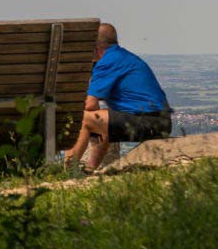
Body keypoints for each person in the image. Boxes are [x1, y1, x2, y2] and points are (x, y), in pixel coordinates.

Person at [64, 23, 171, 170]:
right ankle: (90, 169)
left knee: (82, 119)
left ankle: (69, 172)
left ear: (95, 45)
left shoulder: (109, 61)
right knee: (104, 120)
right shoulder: (119, 56)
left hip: (150, 121)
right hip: (158, 120)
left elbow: (89, 104)